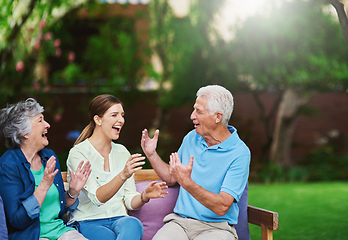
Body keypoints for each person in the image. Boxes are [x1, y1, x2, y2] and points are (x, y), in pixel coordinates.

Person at [141, 85, 251, 240]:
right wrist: (152, 155)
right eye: (194, 110)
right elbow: (172, 177)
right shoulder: (191, 138)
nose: (192, 116)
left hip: (217, 228)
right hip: (180, 223)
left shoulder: (240, 153)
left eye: (199, 111)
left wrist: (187, 183)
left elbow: (222, 207)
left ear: (217, 117)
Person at [66, 94, 168, 240]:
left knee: (134, 224)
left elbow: (130, 200)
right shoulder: (79, 153)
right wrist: (122, 175)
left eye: (122, 115)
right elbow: (97, 198)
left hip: (119, 219)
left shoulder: (122, 152)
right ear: (98, 120)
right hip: (87, 221)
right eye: (114, 115)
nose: (121, 120)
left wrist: (144, 196)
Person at [0, 98, 91, 240]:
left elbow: (59, 207)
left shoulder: (48, 156)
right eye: (40, 120)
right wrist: (44, 185)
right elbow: (16, 221)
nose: (47, 125)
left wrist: (73, 191)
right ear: (25, 132)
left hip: (61, 232)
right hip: (32, 236)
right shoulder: (8, 165)